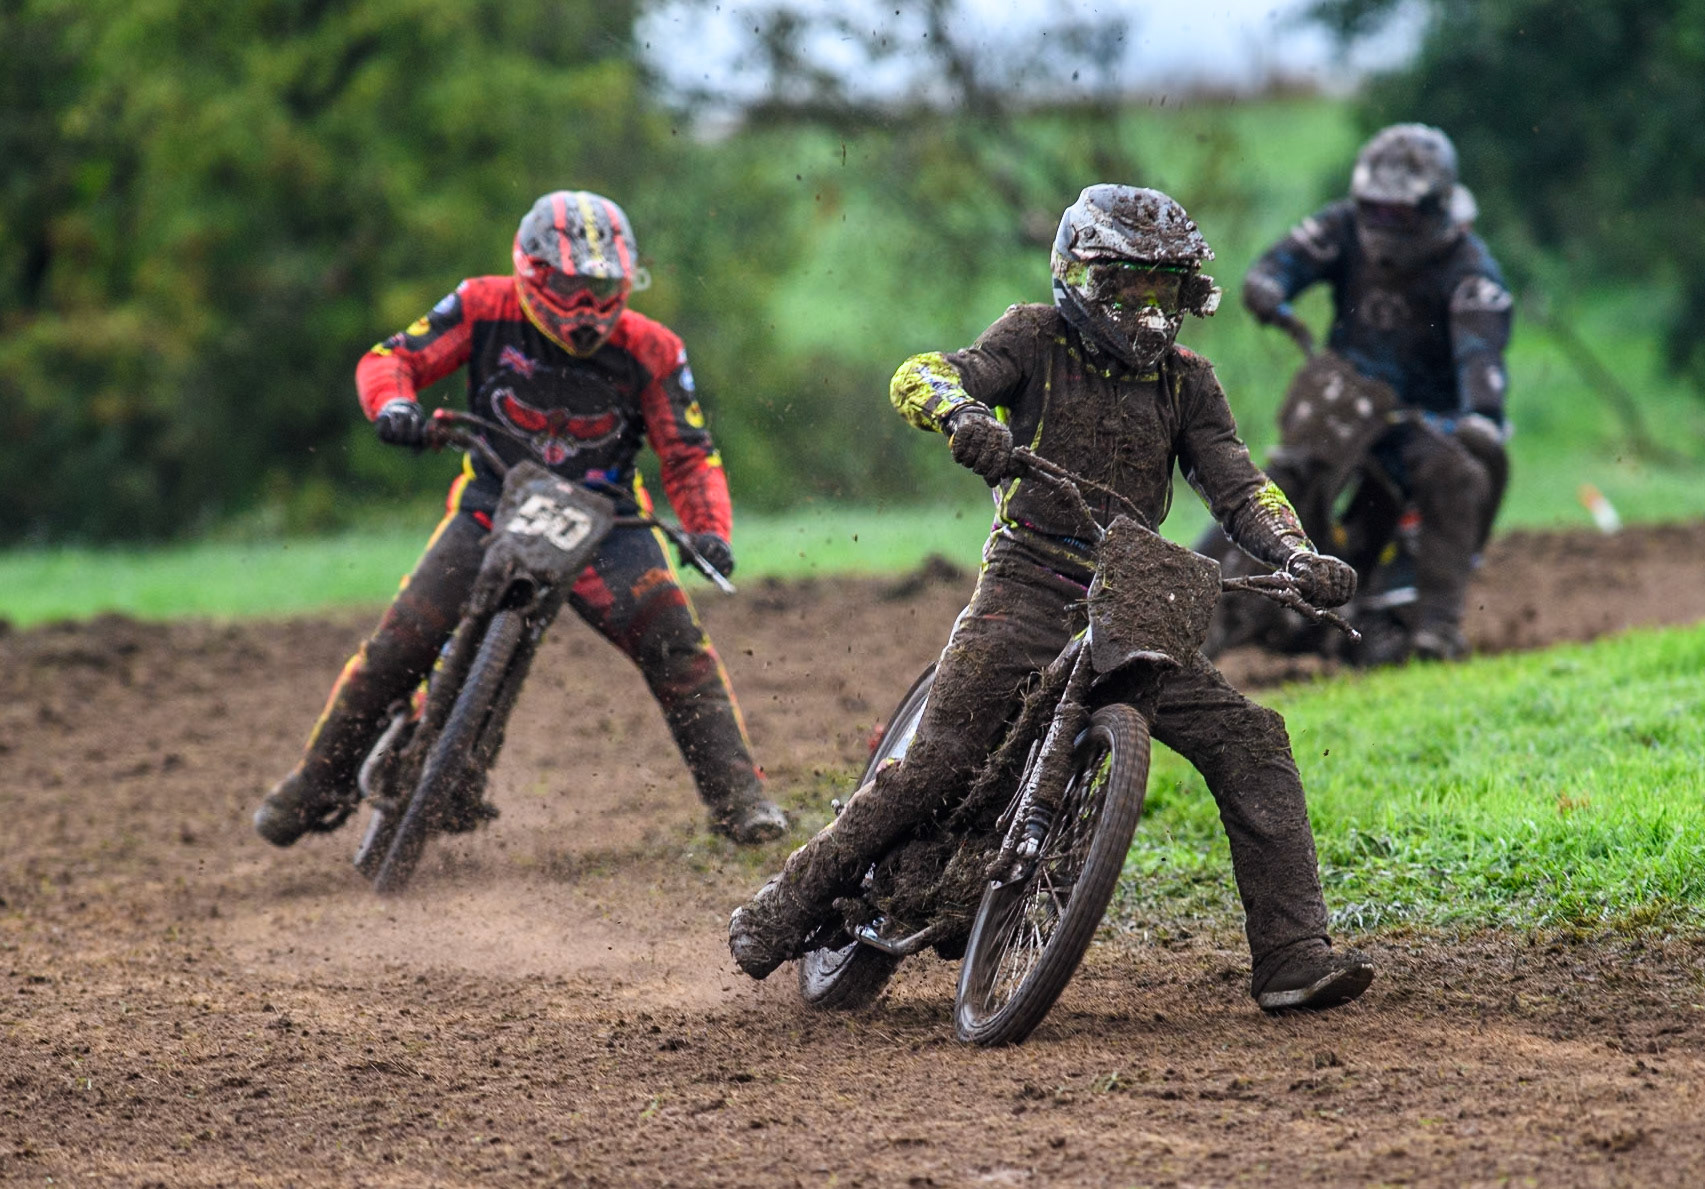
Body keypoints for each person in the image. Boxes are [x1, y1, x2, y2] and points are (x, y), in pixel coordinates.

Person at [729, 185, 1375, 1013]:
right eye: (1129, 288)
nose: (1148, 311)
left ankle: (1292, 956)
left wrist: (1298, 554)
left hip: (1137, 592)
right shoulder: (1034, 336)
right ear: (1081, 277)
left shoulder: (1189, 384)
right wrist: (964, 415)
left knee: (1252, 739)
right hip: (1029, 577)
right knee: (937, 761)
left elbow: (1240, 487)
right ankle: (781, 908)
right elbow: (919, 373)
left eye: (1165, 290)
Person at [254, 190, 788, 848]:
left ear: (627, 280)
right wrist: (392, 407)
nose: (587, 303)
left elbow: (689, 452)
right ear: (532, 271)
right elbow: (390, 359)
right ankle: (317, 783)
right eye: (571, 283)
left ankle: (740, 799)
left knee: (677, 645)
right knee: (399, 643)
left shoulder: (654, 348)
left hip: (606, 524)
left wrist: (709, 531)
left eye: (602, 285)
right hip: (493, 506)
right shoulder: (482, 305)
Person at [1242, 123, 1513, 660]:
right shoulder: (1341, 226)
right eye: (1375, 208)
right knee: (1279, 470)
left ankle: (1438, 624)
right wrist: (1269, 283)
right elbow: (1286, 259)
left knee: (1454, 475)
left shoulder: (1470, 273)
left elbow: (1480, 358)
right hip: (1344, 400)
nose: (1383, 223)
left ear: (1435, 207)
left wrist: (1480, 413)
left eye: (1400, 212)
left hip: (1420, 420)